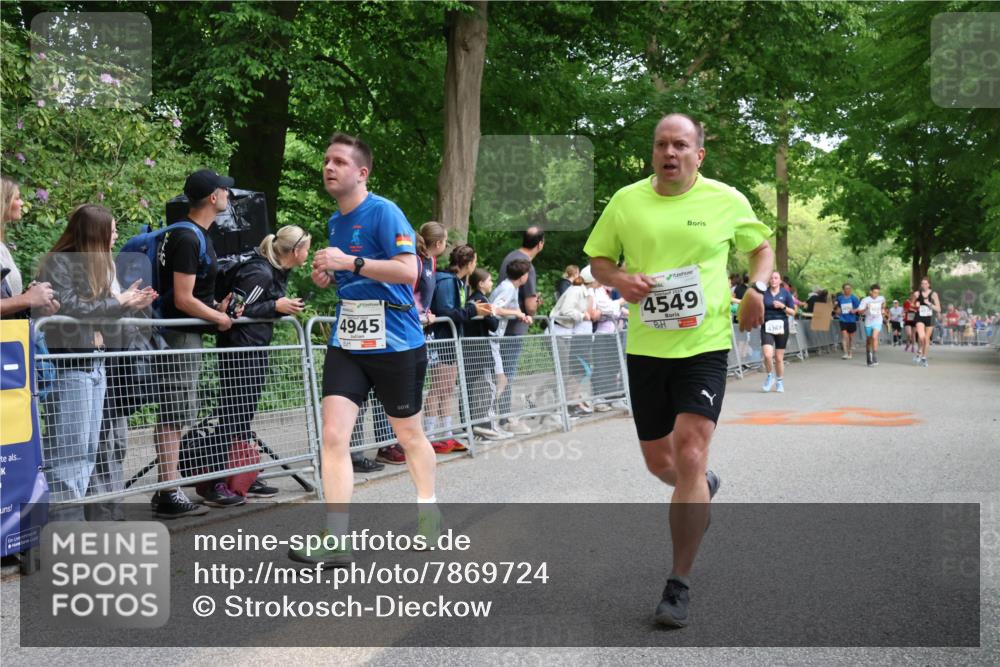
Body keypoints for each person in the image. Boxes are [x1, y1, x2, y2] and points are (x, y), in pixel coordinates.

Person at [584, 112, 773, 628]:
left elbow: (760, 248)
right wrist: (620, 280)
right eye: (662, 145)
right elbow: (599, 261)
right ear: (653, 152)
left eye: (681, 145)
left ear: (698, 154)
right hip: (647, 347)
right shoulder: (626, 201)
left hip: (705, 344)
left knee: (690, 450)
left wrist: (756, 289)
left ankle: (678, 584)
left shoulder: (725, 199)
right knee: (660, 464)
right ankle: (702, 483)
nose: (670, 153)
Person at [288, 133, 440, 566]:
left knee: (409, 435)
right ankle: (337, 539)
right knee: (333, 437)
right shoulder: (336, 221)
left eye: (338, 161)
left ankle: (428, 507)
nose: (329, 167)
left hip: (396, 342)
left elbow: (408, 272)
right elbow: (351, 274)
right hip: (349, 342)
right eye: (325, 161)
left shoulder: (384, 212)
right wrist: (331, 276)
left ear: (361, 172)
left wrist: (348, 263)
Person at [36, 204, 156, 520]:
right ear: (96, 232)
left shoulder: (95, 265)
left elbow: (96, 311)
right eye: (112, 229)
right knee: (68, 455)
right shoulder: (60, 263)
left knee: (88, 453)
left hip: (96, 365)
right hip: (70, 366)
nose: (116, 235)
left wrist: (128, 304)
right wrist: (118, 301)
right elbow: (73, 307)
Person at [152, 169, 240, 518]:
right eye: (225, 191)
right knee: (175, 413)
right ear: (213, 197)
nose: (230, 196)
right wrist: (219, 318)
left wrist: (217, 306)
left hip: (185, 332)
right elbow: (185, 299)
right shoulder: (189, 238)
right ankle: (168, 491)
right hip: (181, 334)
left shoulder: (188, 234)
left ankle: (168, 487)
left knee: (176, 411)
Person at [207, 224, 313, 502]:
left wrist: (277, 306)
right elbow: (235, 310)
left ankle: (243, 475)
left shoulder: (276, 272)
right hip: (240, 350)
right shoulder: (260, 271)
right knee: (233, 416)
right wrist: (275, 307)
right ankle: (215, 482)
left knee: (243, 418)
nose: (309, 254)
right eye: (307, 248)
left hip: (254, 348)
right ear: (296, 250)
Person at [427, 244, 492, 452]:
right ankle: (429, 437)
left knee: (447, 389)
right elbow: (444, 311)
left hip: (452, 341)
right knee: (438, 388)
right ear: (470, 263)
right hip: (441, 339)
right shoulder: (446, 281)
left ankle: (446, 434)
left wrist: (471, 311)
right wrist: (473, 310)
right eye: (475, 261)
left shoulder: (458, 282)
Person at [497, 227, 544, 435]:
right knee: (508, 371)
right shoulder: (528, 266)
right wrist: (535, 304)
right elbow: (531, 305)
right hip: (515, 326)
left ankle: (499, 415)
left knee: (501, 371)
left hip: (503, 325)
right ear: (540, 243)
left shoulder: (509, 257)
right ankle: (505, 417)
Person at [0, 176, 59, 317]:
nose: (22, 203)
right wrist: (27, 299)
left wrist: (34, 302)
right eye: (17, 198)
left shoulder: (2, 248)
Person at [487, 259, 533, 437]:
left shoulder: (512, 287)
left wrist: (522, 316)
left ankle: (491, 420)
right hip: (491, 338)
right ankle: (489, 420)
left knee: (500, 381)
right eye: (527, 274)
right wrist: (516, 313)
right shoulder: (507, 288)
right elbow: (494, 309)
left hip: (496, 339)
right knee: (498, 381)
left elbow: (512, 309)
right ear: (522, 276)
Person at [548, 264, 595, 415]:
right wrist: (582, 316)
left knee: (565, 371)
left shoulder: (583, 291)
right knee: (563, 372)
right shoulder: (576, 291)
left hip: (566, 333)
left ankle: (563, 406)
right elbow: (566, 310)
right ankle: (556, 407)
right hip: (558, 331)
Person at [464, 268, 504, 439]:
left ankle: (473, 428)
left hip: (469, 350)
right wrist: (492, 313)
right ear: (481, 283)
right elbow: (493, 325)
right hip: (480, 350)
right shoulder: (481, 300)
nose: (492, 283)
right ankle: (486, 427)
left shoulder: (469, 299)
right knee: (487, 388)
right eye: (489, 280)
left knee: (471, 389)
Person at [588, 265, 628, 409]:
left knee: (613, 367)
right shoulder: (594, 290)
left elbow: (611, 308)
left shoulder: (602, 291)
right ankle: (599, 397)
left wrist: (620, 309)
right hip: (602, 334)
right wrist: (622, 301)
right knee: (601, 366)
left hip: (613, 333)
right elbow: (607, 308)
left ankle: (613, 397)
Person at [760, 270, 796, 392]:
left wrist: (783, 306)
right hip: (767, 326)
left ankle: (779, 381)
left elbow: (793, 312)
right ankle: (770, 376)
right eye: (771, 278)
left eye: (776, 278)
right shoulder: (764, 293)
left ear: (780, 281)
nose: (773, 280)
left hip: (781, 327)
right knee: (767, 354)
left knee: (779, 358)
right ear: (769, 280)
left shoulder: (786, 294)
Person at [857, 284, 887, 367]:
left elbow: (884, 304)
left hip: (878, 320)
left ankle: (874, 356)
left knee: (874, 337)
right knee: (869, 340)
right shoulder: (865, 300)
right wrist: (866, 308)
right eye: (874, 292)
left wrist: (883, 308)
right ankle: (868, 355)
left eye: (877, 293)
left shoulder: (881, 298)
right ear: (870, 292)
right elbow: (859, 312)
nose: (876, 295)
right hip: (868, 321)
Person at [914, 277, 940, 366]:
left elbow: (938, 309)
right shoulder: (917, 294)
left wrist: (929, 303)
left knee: (927, 338)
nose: (924, 285)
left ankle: (924, 357)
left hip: (930, 317)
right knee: (921, 337)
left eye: (925, 283)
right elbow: (912, 305)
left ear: (929, 284)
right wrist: (915, 305)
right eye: (922, 283)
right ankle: (919, 351)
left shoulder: (933, 294)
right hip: (920, 317)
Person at [834, 283, 861, 360]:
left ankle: (850, 352)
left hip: (852, 320)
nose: (848, 290)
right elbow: (837, 307)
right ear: (843, 289)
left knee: (851, 338)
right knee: (845, 336)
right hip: (843, 319)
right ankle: (845, 353)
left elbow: (859, 308)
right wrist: (837, 310)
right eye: (846, 288)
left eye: (849, 288)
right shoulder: (840, 298)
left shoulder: (854, 298)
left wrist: (854, 310)